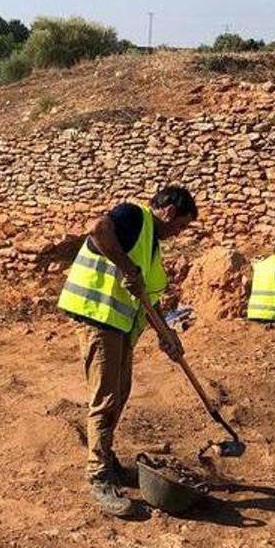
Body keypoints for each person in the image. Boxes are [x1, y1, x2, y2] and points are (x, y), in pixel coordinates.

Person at [57, 186, 198, 517]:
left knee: (120, 392)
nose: (180, 233)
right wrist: (124, 267)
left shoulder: (151, 247)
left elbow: (151, 299)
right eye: (182, 225)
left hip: (118, 325)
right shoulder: (135, 216)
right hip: (96, 315)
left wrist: (167, 335)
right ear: (169, 212)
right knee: (105, 398)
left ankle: (106, 457)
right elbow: (98, 228)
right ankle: (98, 475)